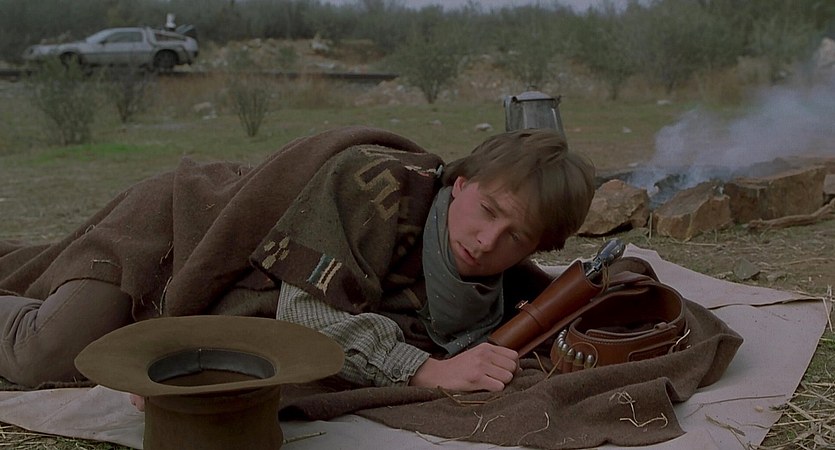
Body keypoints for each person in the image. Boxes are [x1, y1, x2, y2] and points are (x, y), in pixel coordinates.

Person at [0, 126, 595, 398]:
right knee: (45, 356)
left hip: (222, 262)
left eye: (516, 236)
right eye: (487, 210)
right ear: (460, 183)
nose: (488, 241)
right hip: (177, 233)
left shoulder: (493, 289)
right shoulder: (375, 186)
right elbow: (309, 319)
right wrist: (422, 370)